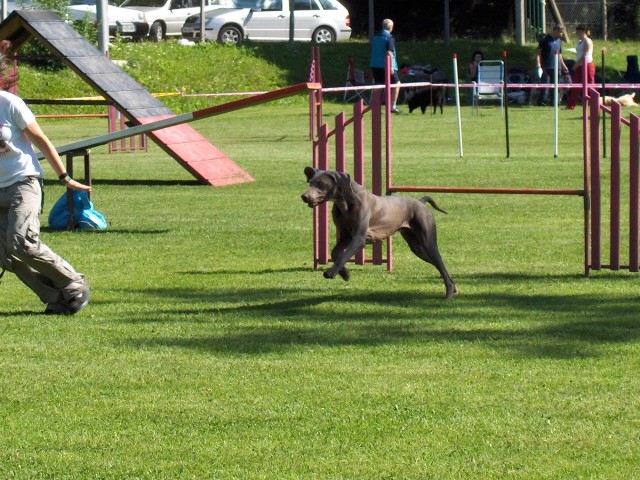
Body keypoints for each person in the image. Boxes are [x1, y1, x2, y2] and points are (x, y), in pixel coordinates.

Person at [0, 40, 91, 315]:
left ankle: (73, 282)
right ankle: (56, 297)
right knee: (5, 254)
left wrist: (64, 177)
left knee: (22, 243)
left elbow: (42, 141)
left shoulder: (9, 104)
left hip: (22, 181)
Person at [370, 18, 401, 114]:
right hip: (386, 65)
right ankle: (392, 106)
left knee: (378, 85)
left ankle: (375, 106)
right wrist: (391, 66)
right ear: (391, 27)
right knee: (397, 84)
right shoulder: (389, 37)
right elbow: (389, 52)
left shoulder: (375, 37)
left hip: (375, 64)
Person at [535, 24, 569, 106]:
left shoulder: (559, 41)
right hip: (546, 66)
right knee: (545, 84)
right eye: (561, 32)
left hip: (557, 67)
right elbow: (538, 53)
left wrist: (563, 65)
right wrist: (538, 63)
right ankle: (541, 101)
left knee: (555, 85)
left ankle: (553, 102)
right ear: (556, 30)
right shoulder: (545, 39)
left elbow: (559, 54)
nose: (561, 34)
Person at [565, 25, 595, 110]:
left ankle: (593, 103)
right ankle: (570, 105)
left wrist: (576, 65)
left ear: (583, 31)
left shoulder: (587, 41)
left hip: (587, 65)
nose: (577, 33)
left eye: (578, 31)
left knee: (590, 85)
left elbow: (585, 55)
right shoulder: (580, 41)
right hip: (579, 65)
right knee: (576, 85)